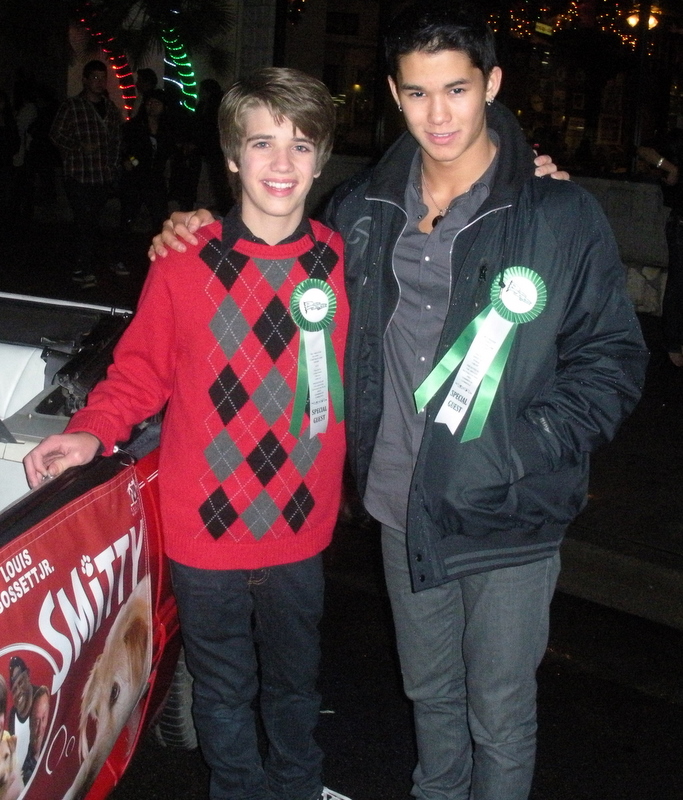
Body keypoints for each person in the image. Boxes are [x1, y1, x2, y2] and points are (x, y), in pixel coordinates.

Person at [151, 4, 648, 799]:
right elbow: (272, 252)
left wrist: (519, 449)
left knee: (499, 708)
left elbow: (613, 359)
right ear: (393, 94)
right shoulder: (363, 211)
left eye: (455, 89)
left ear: (491, 84)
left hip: (509, 510)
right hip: (398, 507)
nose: (438, 114)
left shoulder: (558, 214)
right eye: (417, 94)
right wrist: (193, 226)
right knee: (431, 700)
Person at [24, 66, 352, 800]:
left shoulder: (341, 259)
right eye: (261, 143)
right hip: (204, 522)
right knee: (223, 686)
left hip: (302, 522)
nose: (280, 163)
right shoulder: (185, 261)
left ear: (321, 159)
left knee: (295, 687)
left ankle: (298, 788)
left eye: (300, 146)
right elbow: (142, 372)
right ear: (232, 156)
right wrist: (90, 432)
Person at [50, 59, 122, 288]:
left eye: (103, 78)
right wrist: (78, 147)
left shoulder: (110, 109)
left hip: (101, 175)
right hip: (79, 174)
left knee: (92, 221)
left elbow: (117, 140)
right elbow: (55, 134)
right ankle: (82, 268)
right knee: (84, 220)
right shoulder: (72, 106)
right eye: (95, 78)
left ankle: (86, 263)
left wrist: (113, 166)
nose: (99, 82)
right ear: (85, 80)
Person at [114, 88, 174, 276]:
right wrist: (133, 162)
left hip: (155, 181)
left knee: (160, 220)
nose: (152, 105)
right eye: (149, 102)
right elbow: (126, 151)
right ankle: (120, 259)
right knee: (128, 219)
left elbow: (167, 153)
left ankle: (162, 260)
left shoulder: (166, 129)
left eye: (156, 103)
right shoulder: (134, 127)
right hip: (136, 180)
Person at [638, 132, 683, 367]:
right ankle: (674, 345)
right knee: (678, 284)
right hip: (680, 222)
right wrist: (668, 167)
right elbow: (643, 149)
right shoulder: (677, 139)